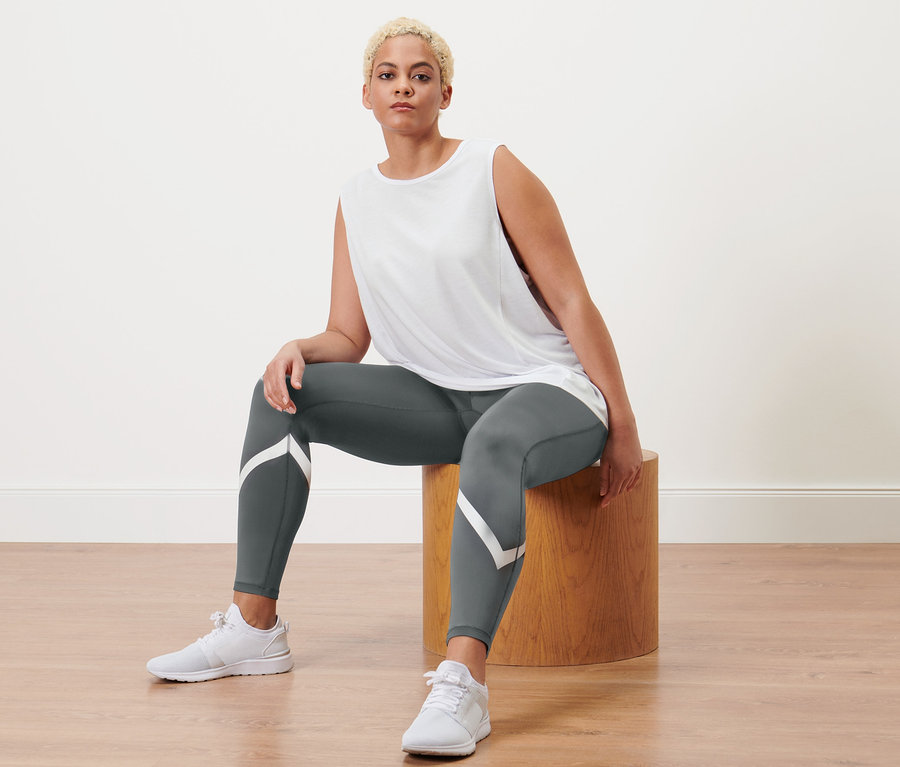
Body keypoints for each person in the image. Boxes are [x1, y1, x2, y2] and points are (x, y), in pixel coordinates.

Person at [146, 17, 643, 757]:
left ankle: (463, 680)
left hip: (545, 388)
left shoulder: (492, 167)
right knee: (284, 391)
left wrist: (622, 421)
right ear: (367, 95)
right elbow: (349, 336)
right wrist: (297, 348)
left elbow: (572, 300)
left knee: (495, 439)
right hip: (440, 395)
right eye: (388, 73)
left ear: (445, 91)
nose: (403, 84)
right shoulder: (357, 198)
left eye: (419, 73)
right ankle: (253, 625)